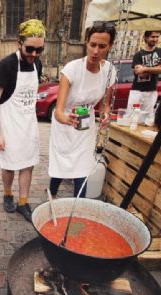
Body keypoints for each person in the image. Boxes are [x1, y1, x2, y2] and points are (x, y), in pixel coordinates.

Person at [48, 21, 116, 198]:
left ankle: (79, 205)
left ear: (110, 46)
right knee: (62, 164)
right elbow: (59, 110)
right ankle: (52, 194)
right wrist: (65, 118)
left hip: (87, 124)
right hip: (66, 123)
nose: (96, 51)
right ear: (86, 42)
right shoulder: (72, 69)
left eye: (102, 46)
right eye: (92, 45)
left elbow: (105, 105)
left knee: (83, 167)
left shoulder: (109, 70)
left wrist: (106, 115)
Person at [0, 19, 46, 222]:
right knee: (9, 165)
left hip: (28, 126)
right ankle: (7, 194)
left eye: (39, 50)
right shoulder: (7, 65)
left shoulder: (37, 63)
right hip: (10, 126)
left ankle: (23, 202)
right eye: (30, 49)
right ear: (19, 43)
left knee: (28, 165)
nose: (34, 55)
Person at [127, 31, 161, 123]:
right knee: (131, 117)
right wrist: (157, 67)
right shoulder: (139, 54)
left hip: (152, 91)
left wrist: (145, 68)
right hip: (137, 91)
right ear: (145, 37)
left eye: (157, 37)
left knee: (146, 120)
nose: (155, 39)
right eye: (152, 37)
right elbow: (140, 73)